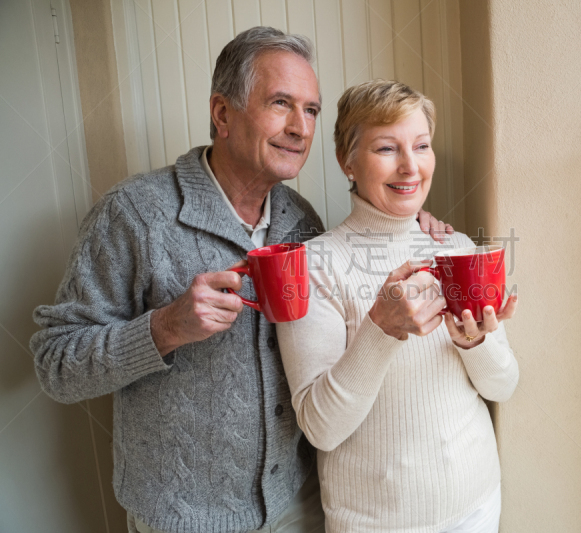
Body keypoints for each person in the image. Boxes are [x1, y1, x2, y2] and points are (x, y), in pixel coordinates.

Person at [28, 28, 451, 533]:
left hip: (299, 505)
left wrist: (415, 225)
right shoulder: (134, 214)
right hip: (183, 519)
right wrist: (164, 327)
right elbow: (56, 365)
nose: (300, 128)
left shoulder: (302, 223)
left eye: (311, 110)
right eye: (280, 103)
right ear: (222, 114)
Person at [276, 80, 519, 532]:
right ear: (347, 161)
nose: (410, 167)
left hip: (479, 506)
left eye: (421, 145)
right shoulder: (315, 267)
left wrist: (476, 344)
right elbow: (321, 428)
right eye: (387, 148)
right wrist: (380, 330)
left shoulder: (456, 248)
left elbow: (503, 386)